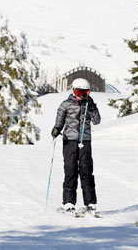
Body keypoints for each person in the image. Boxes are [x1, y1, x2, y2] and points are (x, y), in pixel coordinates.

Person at [51, 78, 101, 215]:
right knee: (70, 170)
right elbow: (59, 121)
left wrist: (93, 107)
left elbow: (97, 121)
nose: (83, 95)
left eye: (86, 92)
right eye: (80, 92)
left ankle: (90, 203)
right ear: (73, 91)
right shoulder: (65, 105)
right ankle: (69, 202)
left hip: (85, 141)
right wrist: (56, 129)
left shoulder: (89, 105)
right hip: (69, 141)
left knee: (86, 170)